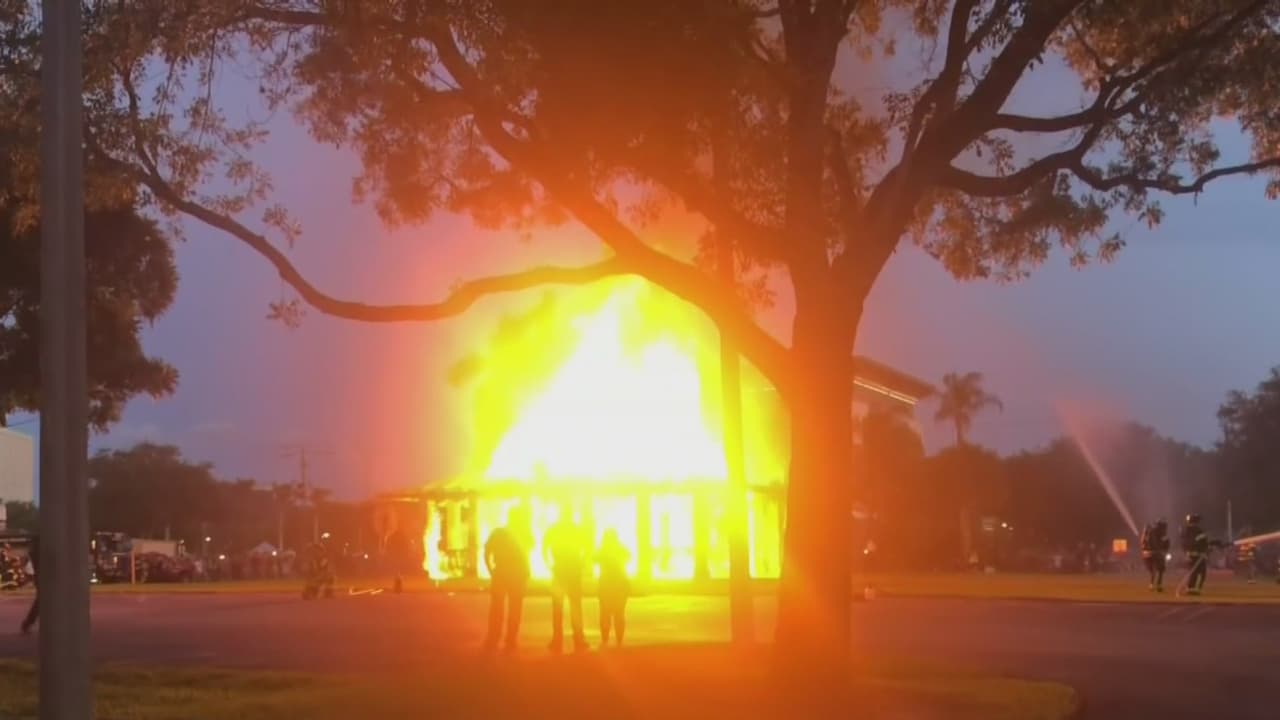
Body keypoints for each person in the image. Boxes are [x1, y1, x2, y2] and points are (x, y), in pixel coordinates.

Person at [483, 507, 531, 653]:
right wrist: (526, 573)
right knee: (514, 608)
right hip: (515, 573)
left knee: (497, 608)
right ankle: (510, 639)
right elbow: (527, 553)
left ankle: (493, 639)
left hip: (502, 572)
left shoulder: (499, 532)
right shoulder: (523, 532)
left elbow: (487, 551)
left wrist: (490, 570)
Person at [544, 504, 588, 653]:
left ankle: (557, 639)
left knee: (557, 607)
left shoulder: (555, 529)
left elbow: (544, 547)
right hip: (573, 570)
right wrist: (582, 563)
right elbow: (587, 548)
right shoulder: (576, 530)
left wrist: (549, 564)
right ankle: (578, 639)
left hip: (559, 570)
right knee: (575, 606)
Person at [595, 529, 631, 649]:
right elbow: (628, 557)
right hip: (619, 585)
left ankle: (605, 639)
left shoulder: (602, 551)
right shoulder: (621, 550)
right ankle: (619, 640)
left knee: (605, 614)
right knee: (619, 614)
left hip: (606, 585)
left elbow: (594, 559)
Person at [1180, 514, 1226, 596]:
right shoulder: (1198, 531)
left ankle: (1190, 588)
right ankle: (1196, 589)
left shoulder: (1185, 531)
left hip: (1189, 554)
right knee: (1201, 572)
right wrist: (1213, 544)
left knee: (1193, 572)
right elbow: (1203, 543)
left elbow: (1185, 544)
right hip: (1198, 555)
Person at [1140, 519, 1170, 592]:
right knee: (1160, 569)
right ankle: (1157, 585)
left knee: (1153, 570)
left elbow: (1143, 544)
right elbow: (1163, 544)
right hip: (1155, 553)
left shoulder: (1148, 532)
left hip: (1146, 554)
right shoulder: (1158, 533)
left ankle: (1152, 585)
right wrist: (1162, 550)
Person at [19, 535, 38, 635]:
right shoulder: (37, 549)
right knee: (42, 601)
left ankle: (28, 623)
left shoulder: (34, 549)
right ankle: (27, 623)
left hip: (40, 576)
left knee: (41, 601)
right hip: (43, 576)